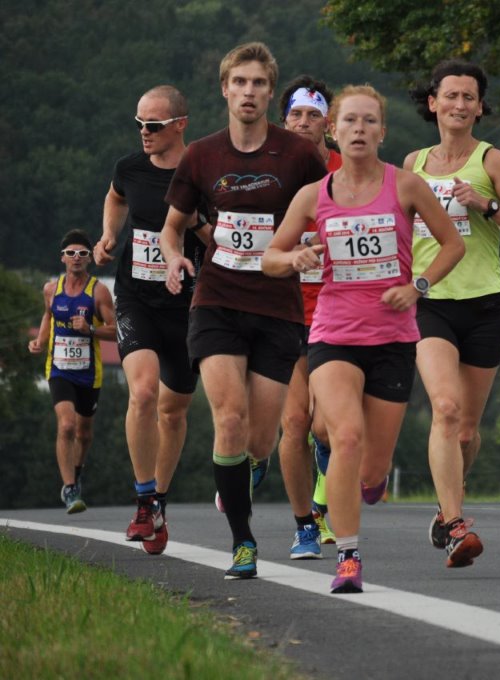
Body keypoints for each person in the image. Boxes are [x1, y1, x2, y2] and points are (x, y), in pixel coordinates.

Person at [263, 84, 465, 593]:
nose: (359, 129)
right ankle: (348, 557)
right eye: (350, 121)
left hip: (393, 338)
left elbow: (452, 245)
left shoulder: (406, 186)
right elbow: (270, 258)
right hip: (333, 334)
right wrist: (294, 258)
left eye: (369, 121)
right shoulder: (314, 195)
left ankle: (372, 482)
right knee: (345, 437)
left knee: (372, 469)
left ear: (382, 132)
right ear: (334, 130)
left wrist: (418, 287)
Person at [160, 42, 326, 579]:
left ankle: (251, 466)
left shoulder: (299, 156)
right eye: (240, 82)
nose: (248, 92)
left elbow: (328, 214)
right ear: (224, 89)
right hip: (217, 300)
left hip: (278, 306)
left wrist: (309, 248)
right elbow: (171, 228)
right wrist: (173, 258)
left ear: (270, 92)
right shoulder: (201, 155)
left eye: (258, 83)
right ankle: (243, 542)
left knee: (259, 438)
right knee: (228, 418)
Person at [405, 60, 500, 565]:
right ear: (433, 103)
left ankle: (448, 505)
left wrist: (486, 205)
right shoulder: (414, 164)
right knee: (444, 408)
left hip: (484, 304)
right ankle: (457, 525)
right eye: (451, 95)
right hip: (430, 303)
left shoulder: (491, 161)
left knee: (466, 431)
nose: (459, 104)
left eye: (469, 97)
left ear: (480, 107)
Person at [93, 85, 207, 556]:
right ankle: (143, 502)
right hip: (135, 296)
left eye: (154, 125)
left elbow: (222, 239)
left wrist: (196, 225)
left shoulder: (202, 172)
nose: (144, 132)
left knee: (173, 409)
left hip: (187, 306)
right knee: (142, 393)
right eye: (139, 123)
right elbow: (116, 196)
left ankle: (159, 499)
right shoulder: (130, 167)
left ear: (180, 125)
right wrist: (108, 234)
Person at [276, 75, 343, 553]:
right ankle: (305, 525)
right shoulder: (268, 171)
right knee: (295, 423)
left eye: (313, 115)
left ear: (328, 123)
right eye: (296, 115)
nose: (303, 122)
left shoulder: (347, 168)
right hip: (282, 309)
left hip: (336, 310)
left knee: (325, 427)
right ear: (284, 122)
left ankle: (323, 495)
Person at [28, 230, 116, 513]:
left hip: (89, 373)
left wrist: (90, 329)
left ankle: (76, 474)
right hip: (59, 370)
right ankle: (69, 489)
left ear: (89, 258)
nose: (76, 258)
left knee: (84, 433)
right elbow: (48, 315)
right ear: (62, 258)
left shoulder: (99, 292)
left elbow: (116, 331)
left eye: (82, 253)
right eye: (71, 253)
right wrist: (41, 341)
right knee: (66, 425)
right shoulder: (51, 290)